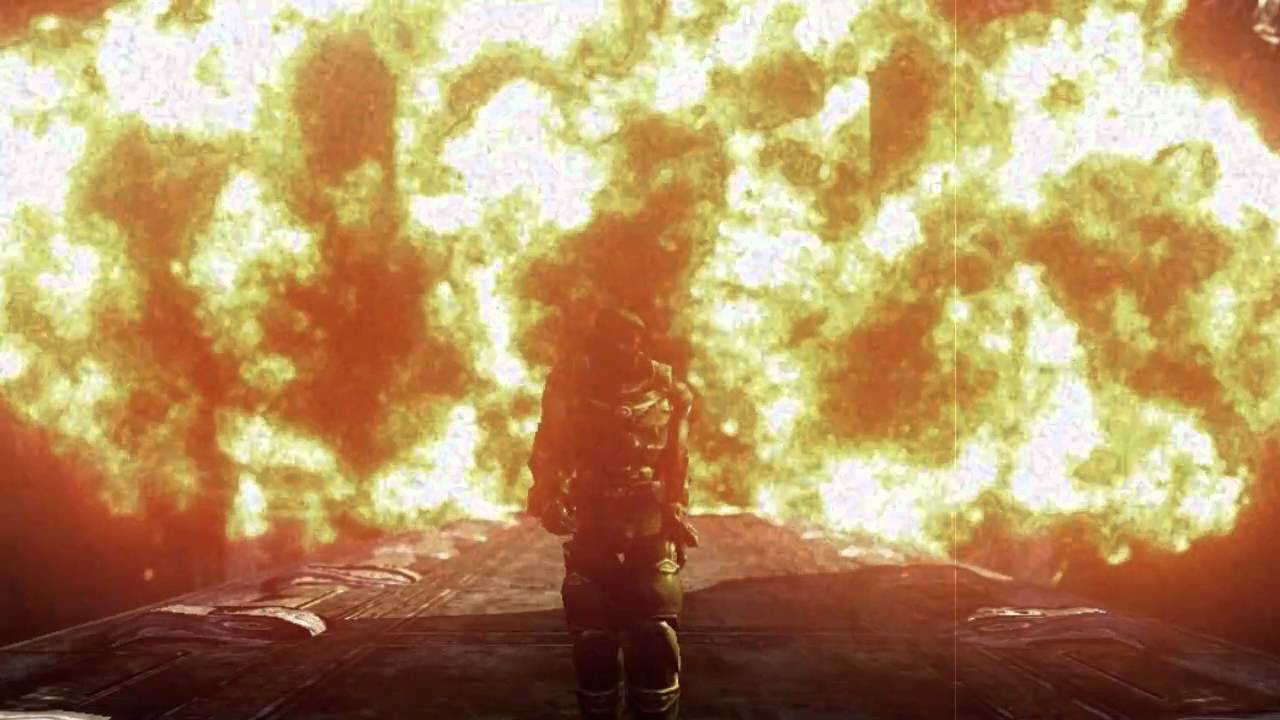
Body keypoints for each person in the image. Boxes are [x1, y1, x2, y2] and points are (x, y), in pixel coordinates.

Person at [525, 307, 699, 720]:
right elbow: (550, 447)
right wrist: (549, 495)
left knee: (655, 635)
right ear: (598, 343)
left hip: (648, 520)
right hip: (594, 518)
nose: (623, 349)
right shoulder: (570, 387)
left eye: (630, 340)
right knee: (593, 641)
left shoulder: (667, 389)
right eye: (614, 340)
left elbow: (676, 456)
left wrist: (675, 505)